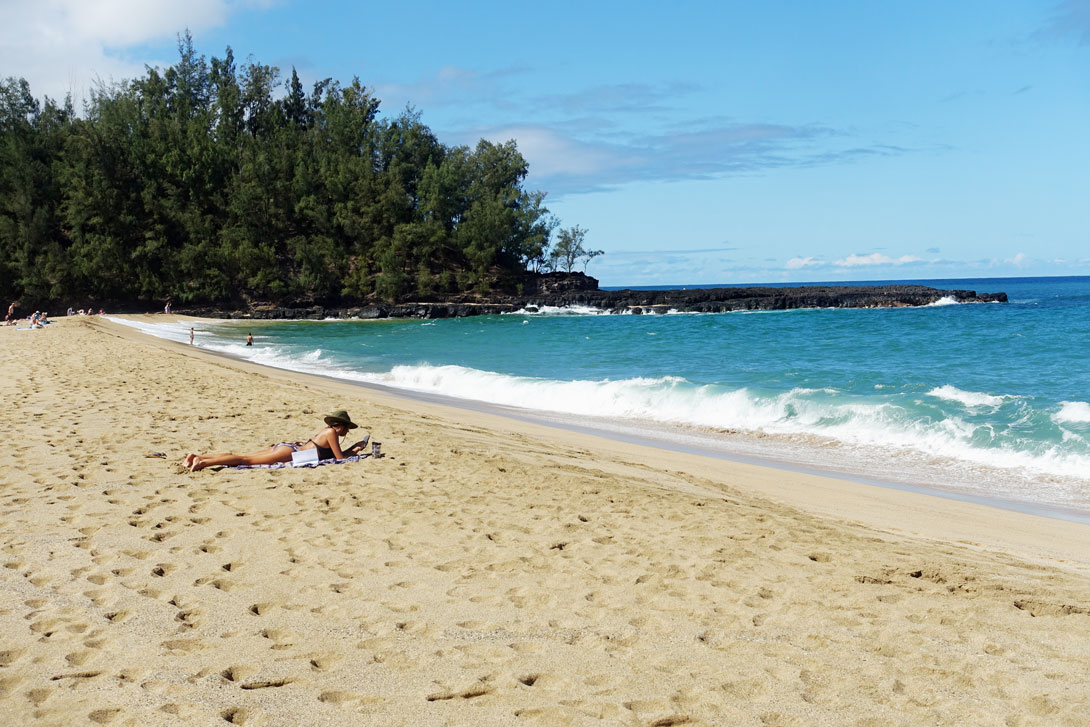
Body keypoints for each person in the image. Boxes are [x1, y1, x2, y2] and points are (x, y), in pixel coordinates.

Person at [184, 409, 370, 472]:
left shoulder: (326, 431)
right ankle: (202, 463)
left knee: (243, 457)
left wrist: (354, 449)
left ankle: (197, 456)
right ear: (343, 426)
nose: (348, 432)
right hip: (291, 453)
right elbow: (339, 459)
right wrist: (355, 449)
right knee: (244, 460)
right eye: (347, 428)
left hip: (288, 448)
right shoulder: (331, 434)